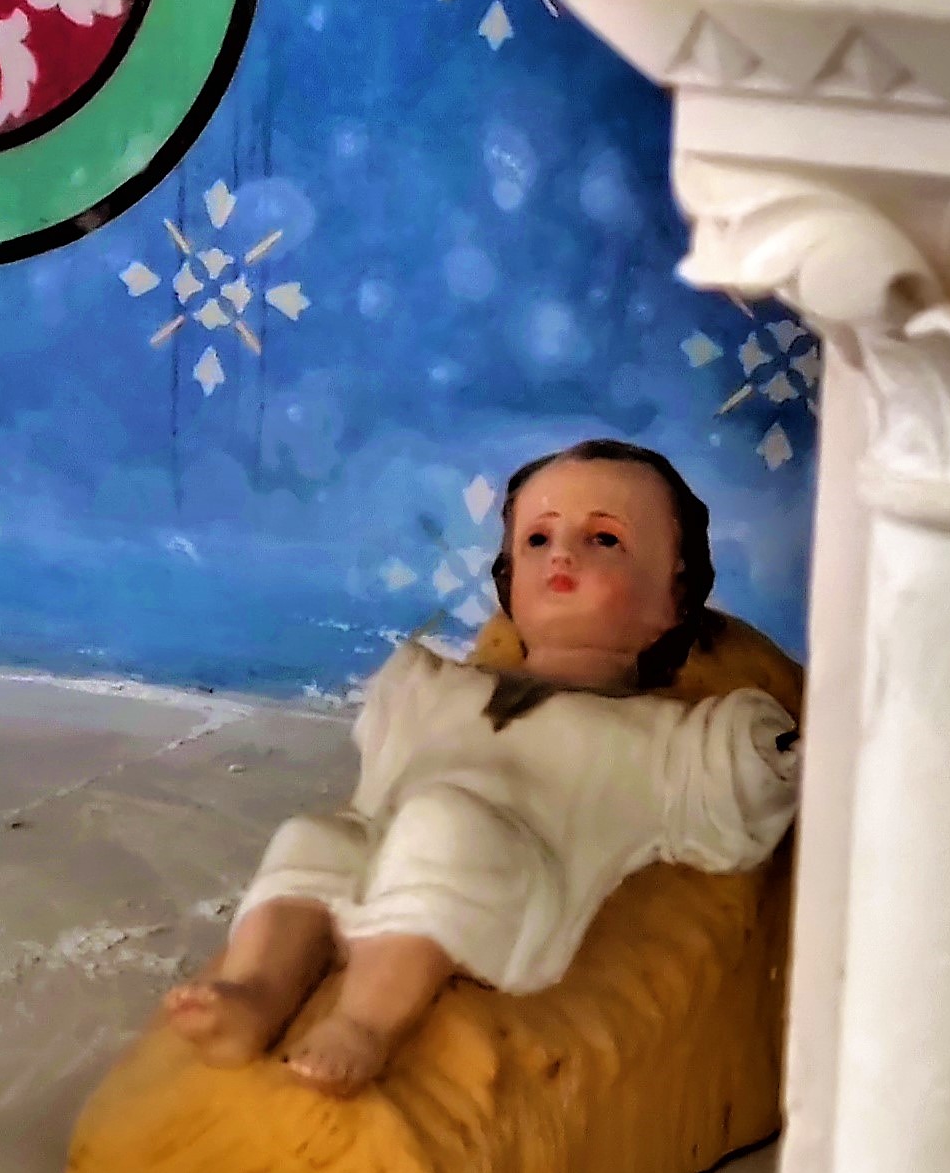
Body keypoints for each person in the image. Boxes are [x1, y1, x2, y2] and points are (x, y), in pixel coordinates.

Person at [153, 441, 802, 1096]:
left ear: (674, 597)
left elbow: (740, 780)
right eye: (538, 539)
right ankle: (256, 993)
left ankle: (366, 1022)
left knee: (443, 824)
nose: (562, 555)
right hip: (386, 853)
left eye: (604, 539)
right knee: (313, 838)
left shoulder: (659, 735)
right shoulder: (437, 688)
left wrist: (771, 752)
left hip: (513, 882)